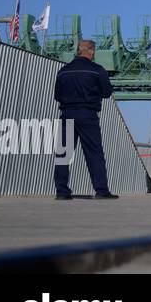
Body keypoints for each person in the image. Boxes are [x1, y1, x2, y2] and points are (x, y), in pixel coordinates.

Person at [54, 39, 118, 200]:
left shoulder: (63, 71)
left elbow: (57, 95)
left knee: (64, 153)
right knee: (94, 153)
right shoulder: (97, 70)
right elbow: (106, 92)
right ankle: (101, 190)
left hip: (67, 113)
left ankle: (62, 192)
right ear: (91, 51)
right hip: (87, 115)